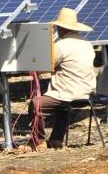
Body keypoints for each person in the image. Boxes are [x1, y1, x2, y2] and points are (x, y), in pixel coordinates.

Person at [27, 8, 97, 150]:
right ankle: (56, 140)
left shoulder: (62, 45)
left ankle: (38, 140)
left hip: (68, 92)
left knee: (36, 105)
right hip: (87, 92)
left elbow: (47, 65)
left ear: (62, 28)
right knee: (63, 108)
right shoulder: (87, 44)